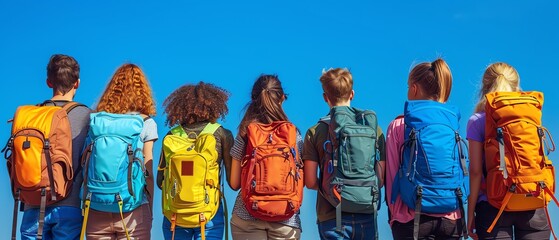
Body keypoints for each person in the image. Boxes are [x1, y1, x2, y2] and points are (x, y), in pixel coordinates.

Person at [466, 62, 551, 239]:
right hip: (532, 202)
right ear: (516, 86)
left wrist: (470, 213)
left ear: (484, 88)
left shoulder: (477, 121)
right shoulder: (530, 115)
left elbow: (475, 172)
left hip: (493, 207)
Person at [303, 68, 386, 240]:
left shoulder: (315, 132)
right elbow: (381, 179)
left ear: (325, 97)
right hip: (367, 214)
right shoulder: (373, 129)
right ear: (352, 94)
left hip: (331, 217)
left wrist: (332, 186)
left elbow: (310, 182)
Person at [385, 58, 464, 239]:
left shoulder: (399, 125)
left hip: (411, 218)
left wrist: (395, 216)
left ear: (414, 88)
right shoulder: (452, 124)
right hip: (451, 217)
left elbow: (391, 175)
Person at [18, 54, 92, 240]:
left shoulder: (31, 116)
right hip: (70, 205)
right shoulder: (88, 116)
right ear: (77, 83)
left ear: (48, 82)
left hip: (32, 203)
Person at [84, 63, 157, 239]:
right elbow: (148, 172)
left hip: (95, 206)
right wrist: (149, 210)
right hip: (133, 209)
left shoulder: (97, 122)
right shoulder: (146, 123)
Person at [228, 74, 303, 240]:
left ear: (254, 99)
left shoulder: (245, 133)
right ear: (282, 98)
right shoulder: (293, 135)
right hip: (286, 218)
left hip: (246, 215)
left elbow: (234, 183)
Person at [157, 81, 234, 240]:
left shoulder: (172, 136)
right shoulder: (222, 134)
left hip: (175, 215)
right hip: (209, 214)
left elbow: (160, 181)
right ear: (214, 106)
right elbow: (232, 181)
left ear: (180, 107)